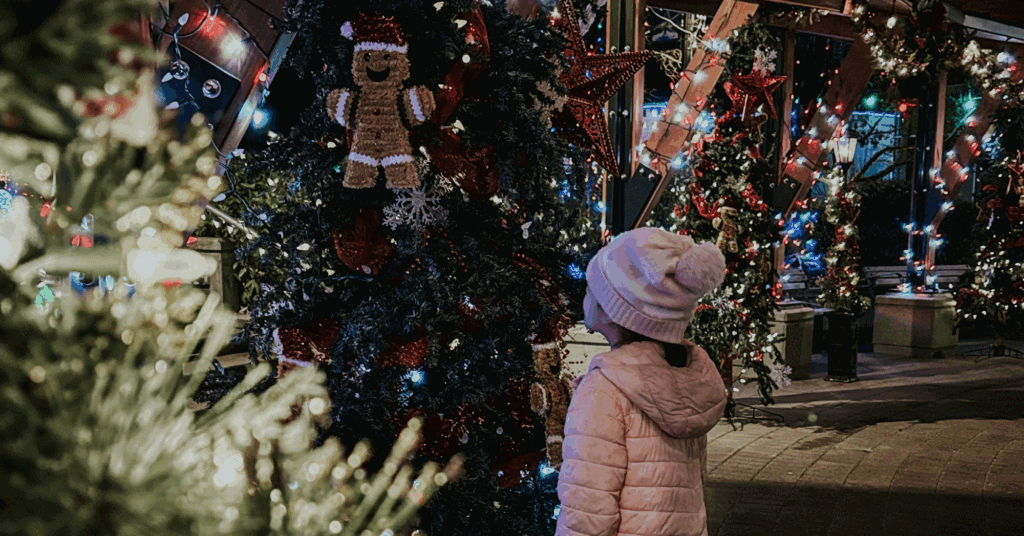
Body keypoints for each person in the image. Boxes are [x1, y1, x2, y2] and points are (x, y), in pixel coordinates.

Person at [555, 227, 729, 536]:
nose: (584, 296)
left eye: (591, 289)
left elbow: (587, 512)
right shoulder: (684, 376)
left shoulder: (604, 390)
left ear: (614, 311)